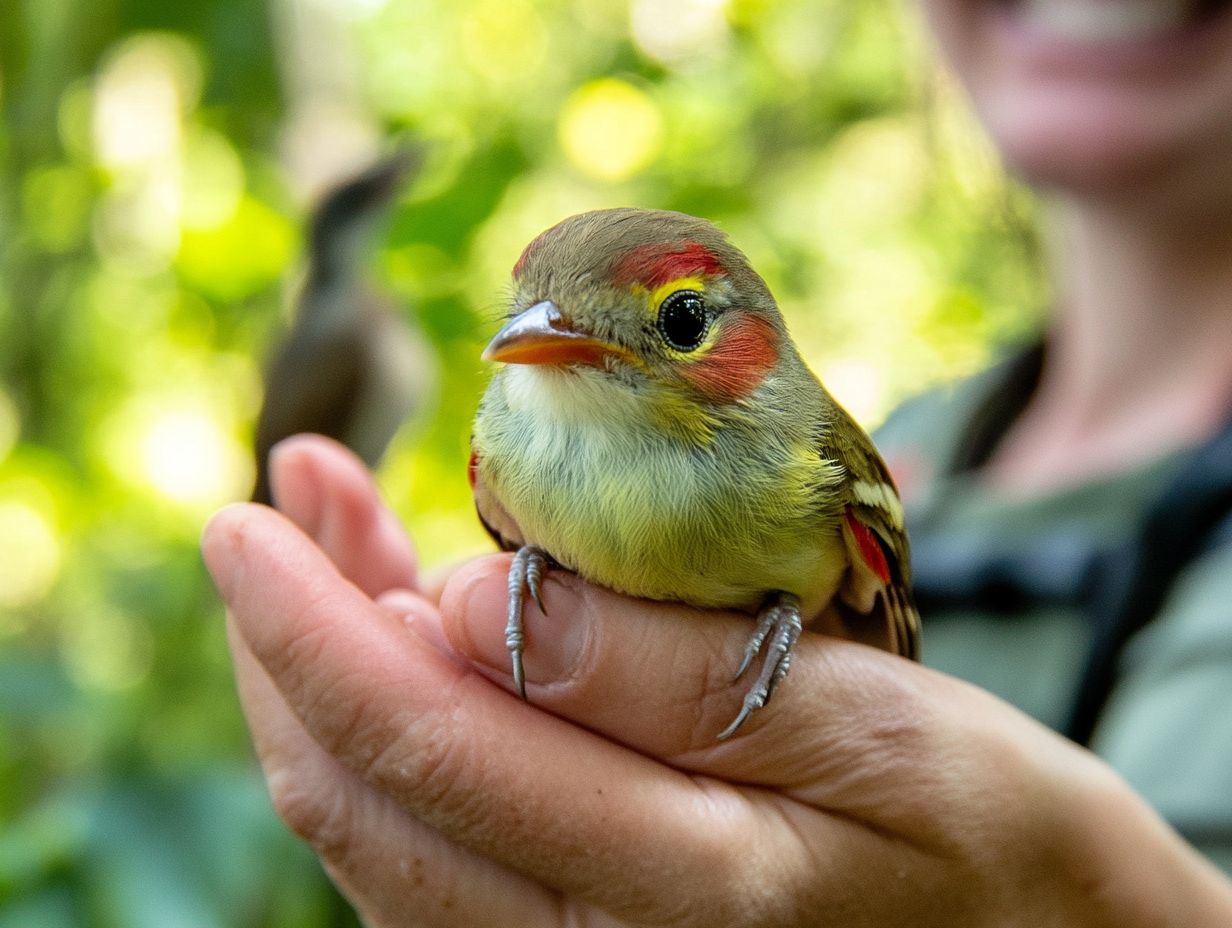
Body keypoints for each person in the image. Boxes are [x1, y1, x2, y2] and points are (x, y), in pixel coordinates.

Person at [201, 0, 1232, 923]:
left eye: (678, 322)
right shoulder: (928, 442)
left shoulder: (828, 465)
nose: (550, 344)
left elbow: (884, 650)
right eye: (535, 319)